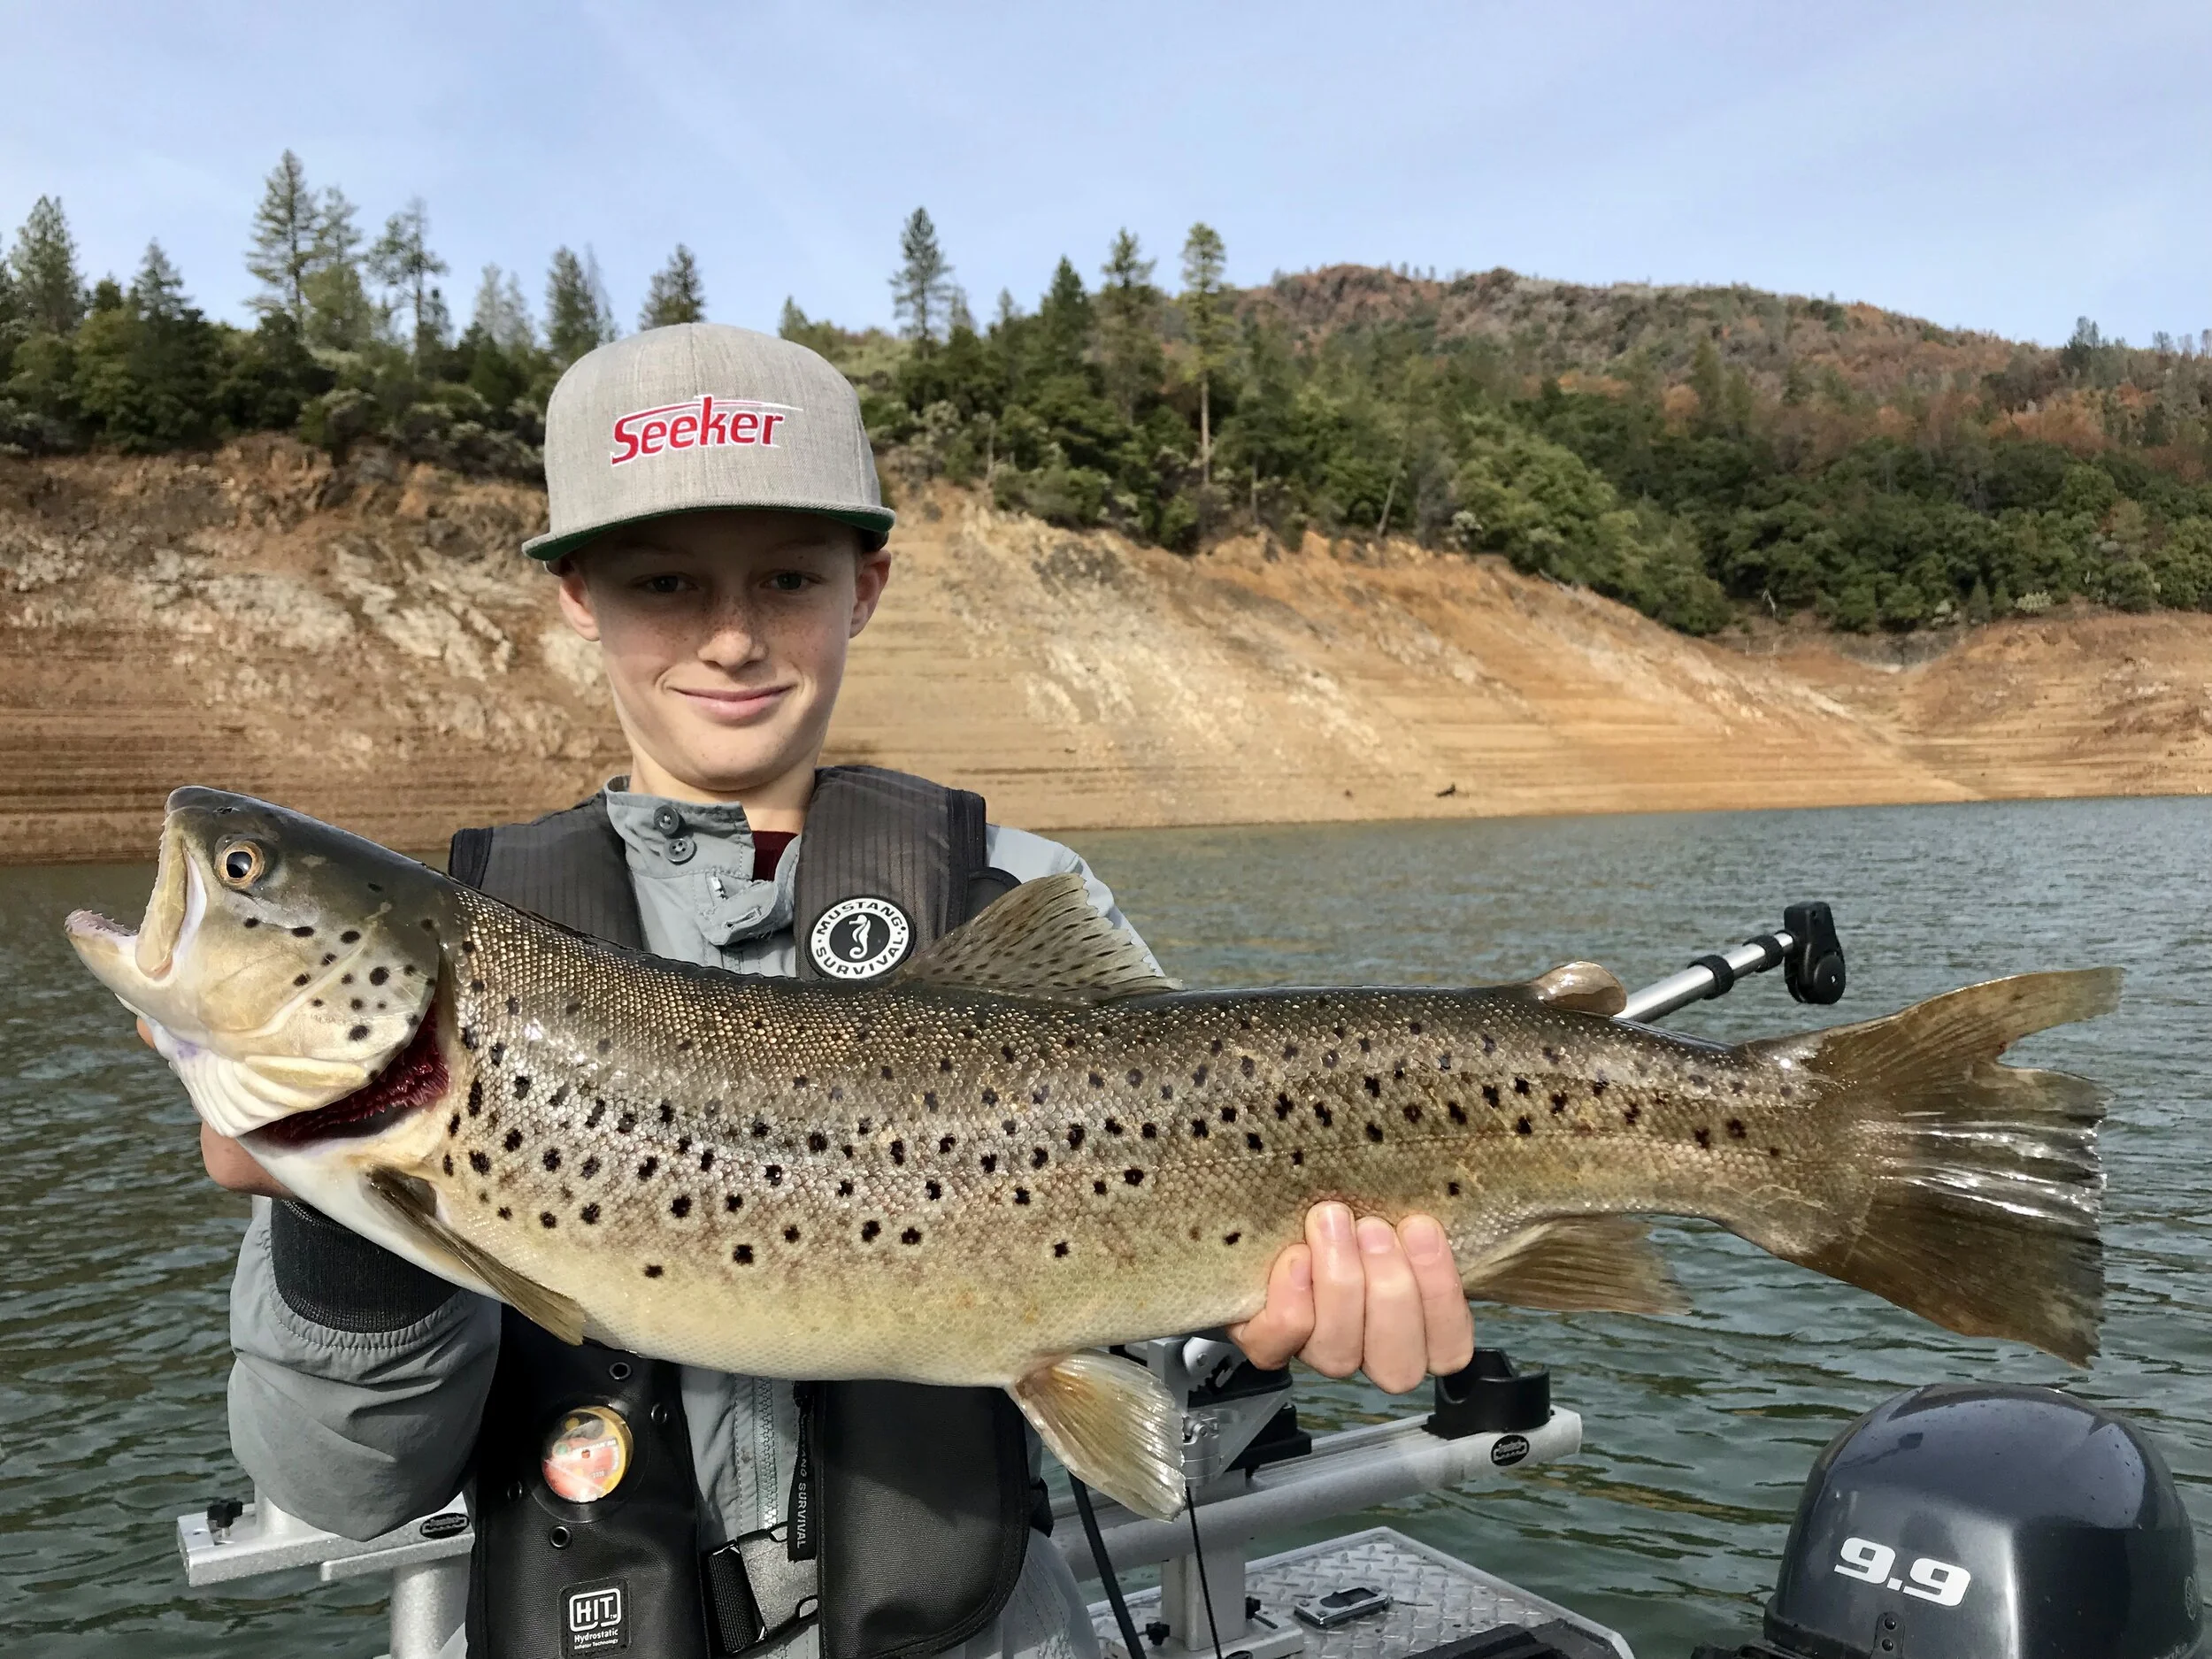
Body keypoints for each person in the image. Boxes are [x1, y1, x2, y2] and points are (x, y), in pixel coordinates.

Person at [189, 323, 1476, 1659]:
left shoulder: (1012, 893)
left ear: (865, 586)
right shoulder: (473, 961)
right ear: (579, 594)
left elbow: (1157, 1390)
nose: (734, 637)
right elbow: (345, 1486)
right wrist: (341, 1218)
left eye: (789, 578)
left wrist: (1270, 1335)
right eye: (668, 583)